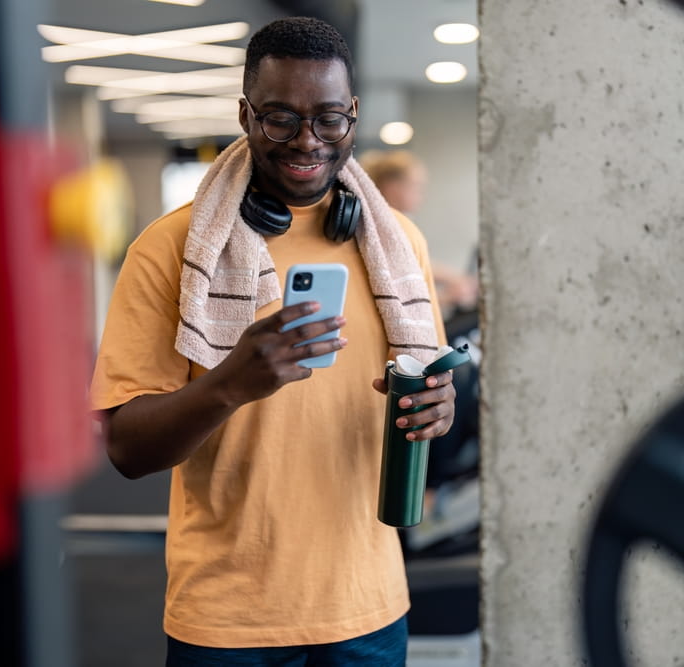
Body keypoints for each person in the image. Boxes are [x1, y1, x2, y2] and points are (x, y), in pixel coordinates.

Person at [89, 16, 458, 666]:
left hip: (368, 607)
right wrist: (231, 381)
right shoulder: (169, 249)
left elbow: (419, 385)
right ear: (245, 113)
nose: (307, 140)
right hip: (229, 621)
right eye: (280, 118)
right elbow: (125, 447)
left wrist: (436, 408)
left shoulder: (399, 245)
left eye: (328, 119)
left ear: (353, 114)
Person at [359, 149, 478, 317]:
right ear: (392, 187)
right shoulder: (382, 230)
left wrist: (456, 279)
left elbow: (418, 263)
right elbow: (394, 299)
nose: (421, 195)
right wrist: (447, 297)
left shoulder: (399, 226)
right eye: (416, 187)